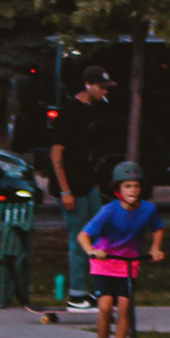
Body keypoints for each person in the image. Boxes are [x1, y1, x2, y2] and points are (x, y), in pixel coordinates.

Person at [78, 164, 162, 338]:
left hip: (129, 264)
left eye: (136, 186)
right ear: (118, 189)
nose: (132, 190)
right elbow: (83, 236)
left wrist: (155, 248)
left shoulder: (148, 210)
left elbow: (158, 229)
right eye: (127, 186)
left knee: (125, 307)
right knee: (105, 307)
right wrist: (92, 251)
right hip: (104, 264)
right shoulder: (109, 211)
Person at [49, 67, 118, 312]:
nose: (104, 92)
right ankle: (76, 295)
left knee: (101, 233)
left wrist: (94, 180)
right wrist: (65, 190)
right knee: (79, 238)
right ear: (88, 85)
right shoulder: (70, 112)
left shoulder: (93, 110)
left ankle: (99, 290)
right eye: (101, 87)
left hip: (87, 183)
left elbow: (87, 150)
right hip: (71, 187)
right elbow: (56, 152)